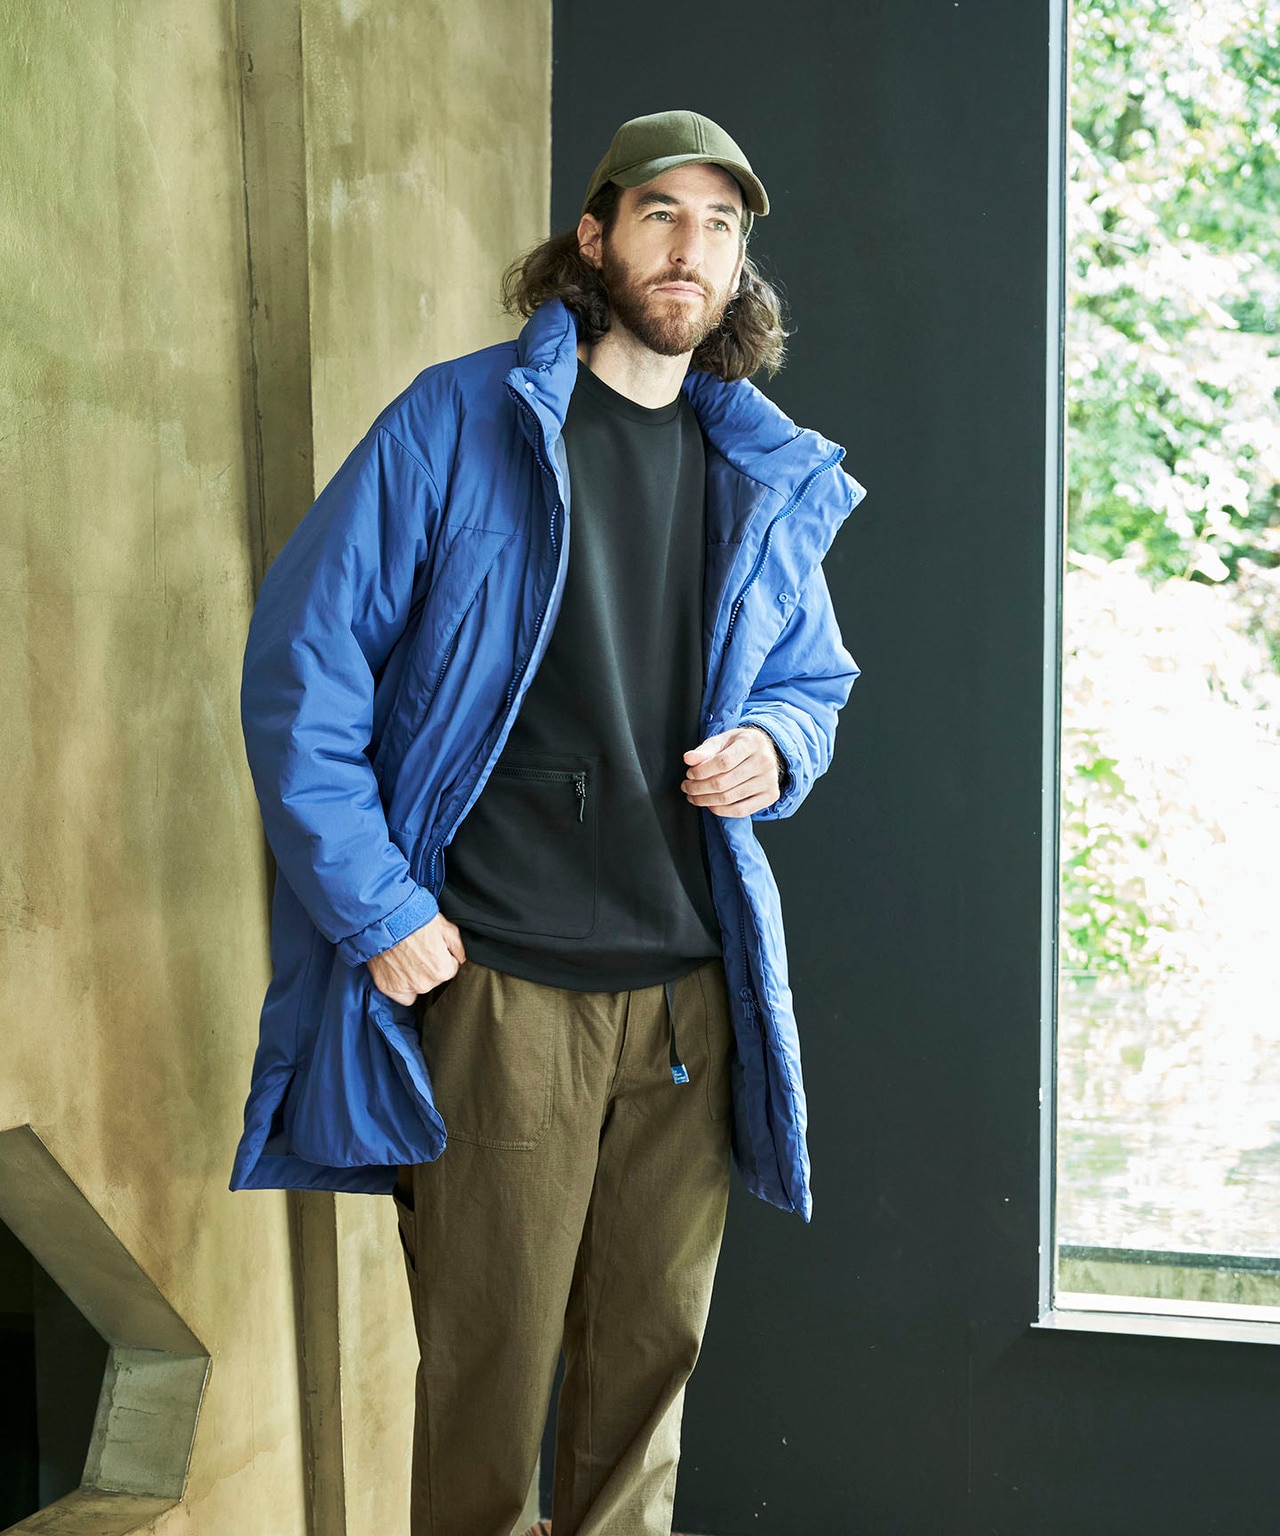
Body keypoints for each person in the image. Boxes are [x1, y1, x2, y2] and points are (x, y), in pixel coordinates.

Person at [231, 108, 866, 1536]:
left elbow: (812, 678)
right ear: (594, 238)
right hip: (505, 988)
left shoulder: (756, 466)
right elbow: (303, 672)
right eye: (661, 215)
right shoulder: (458, 425)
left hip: (690, 996)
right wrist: (378, 908)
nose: (690, 249)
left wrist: (777, 744)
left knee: (646, 1381)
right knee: (489, 1390)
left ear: (740, 266)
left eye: (720, 226)